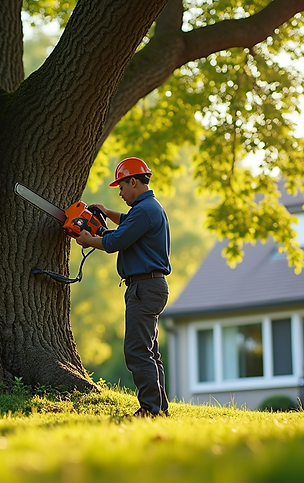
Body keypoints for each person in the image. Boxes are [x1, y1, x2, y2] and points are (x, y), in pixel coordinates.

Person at [75, 157, 171, 418]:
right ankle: (159, 409)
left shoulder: (145, 210)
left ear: (133, 181)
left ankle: (151, 410)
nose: (120, 192)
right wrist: (106, 213)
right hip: (150, 285)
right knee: (149, 351)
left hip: (145, 287)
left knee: (137, 350)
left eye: (121, 186)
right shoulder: (147, 208)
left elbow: (117, 240)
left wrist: (89, 239)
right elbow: (127, 222)